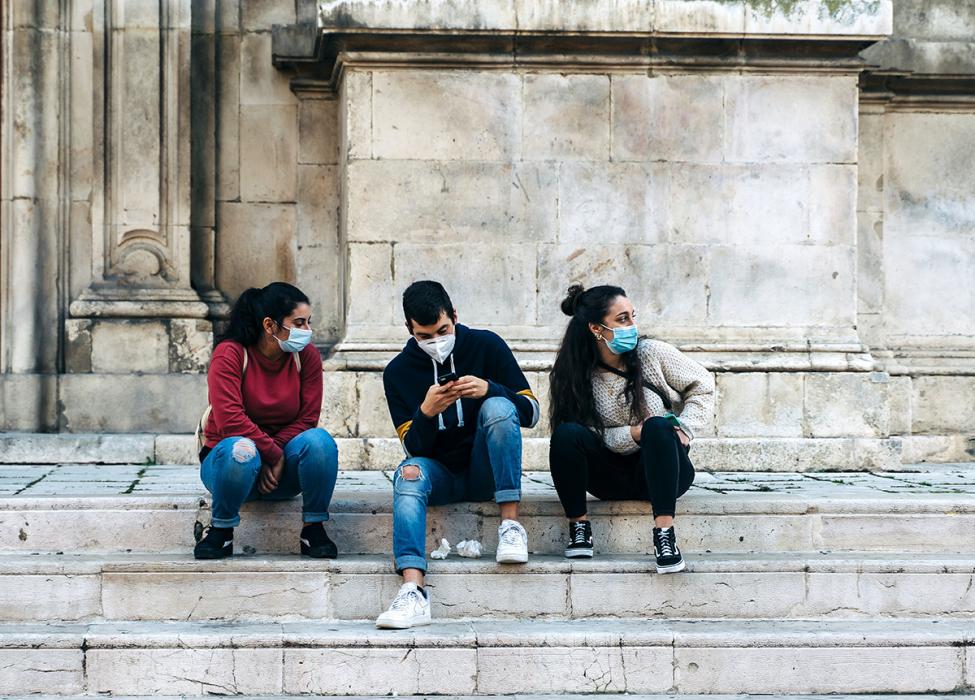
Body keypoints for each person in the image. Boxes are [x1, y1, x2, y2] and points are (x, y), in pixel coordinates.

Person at [375, 281, 540, 628]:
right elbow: (414, 450)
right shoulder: (398, 372)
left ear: (454, 317)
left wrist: (490, 388)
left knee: (497, 406)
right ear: (409, 330)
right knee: (407, 473)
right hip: (441, 475)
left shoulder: (486, 346)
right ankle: (413, 592)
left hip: (487, 471)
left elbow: (532, 412)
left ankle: (510, 525)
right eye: (424, 335)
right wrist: (426, 413)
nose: (435, 340)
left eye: (442, 330)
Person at [548, 284, 714, 573]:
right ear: (596, 329)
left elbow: (703, 386)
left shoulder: (652, 353)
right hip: (608, 476)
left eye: (632, 317)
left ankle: (665, 536)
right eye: (622, 319)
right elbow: (587, 432)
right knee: (566, 435)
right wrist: (631, 434)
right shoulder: (573, 375)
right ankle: (579, 528)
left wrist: (685, 429)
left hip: (663, 470)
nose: (632, 326)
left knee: (658, 427)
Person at [194, 282, 339, 560]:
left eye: (309, 322)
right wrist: (271, 453)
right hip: (231, 471)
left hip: (280, 473)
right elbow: (230, 420)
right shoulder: (230, 354)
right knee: (242, 449)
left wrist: (277, 457)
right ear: (270, 325)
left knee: (320, 442)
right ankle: (221, 531)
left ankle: (313, 528)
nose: (307, 331)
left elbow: (308, 418)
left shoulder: (305, 356)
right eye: (298, 323)